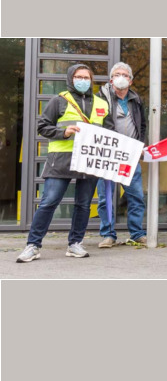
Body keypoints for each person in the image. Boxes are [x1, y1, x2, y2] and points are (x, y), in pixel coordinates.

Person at [17, 64, 113, 263]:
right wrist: (64, 132)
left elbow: (110, 133)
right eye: (79, 76)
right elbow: (42, 127)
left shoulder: (102, 104)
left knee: (84, 204)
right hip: (61, 160)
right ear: (71, 78)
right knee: (49, 202)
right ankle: (33, 245)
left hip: (89, 160)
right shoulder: (58, 100)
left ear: (91, 80)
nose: (83, 80)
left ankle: (75, 243)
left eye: (87, 77)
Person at [96, 62, 147, 247]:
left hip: (131, 155)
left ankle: (136, 233)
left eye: (125, 75)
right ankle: (108, 234)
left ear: (131, 80)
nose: (121, 77)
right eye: (117, 74)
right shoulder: (100, 99)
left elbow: (142, 124)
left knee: (136, 196)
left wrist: (141, 143)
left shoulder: (136, 99)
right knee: (105, 197)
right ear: (111, 79)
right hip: (107, 155)